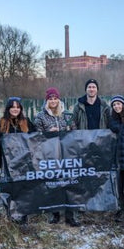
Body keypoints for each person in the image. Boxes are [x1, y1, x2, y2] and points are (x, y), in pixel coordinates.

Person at [34, 87, 79, 226]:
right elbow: (36, 135)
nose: (53, 101)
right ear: (47, 100)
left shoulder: (67, 114)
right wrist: (48, 132)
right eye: (50, 99)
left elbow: (75, 131)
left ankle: (70, 215)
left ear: (59, 99)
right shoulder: (40, 116)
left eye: (55, 98)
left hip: (66, 154)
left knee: (69, 182)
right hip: (50, 154)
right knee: (53, 183)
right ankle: (55, 214)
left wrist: (64, 130)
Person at [0, 96, 36, 225]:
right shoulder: (2, 122)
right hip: (8, 162)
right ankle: (10, 212)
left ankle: (23, 213)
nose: (15, 109)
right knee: (9, 186)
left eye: (17, 107)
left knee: (24, 185)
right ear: (8, 108)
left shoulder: (26, 122)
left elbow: (34, 137)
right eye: (12, 107)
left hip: (24, 161)